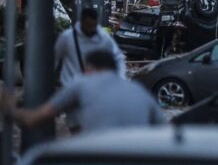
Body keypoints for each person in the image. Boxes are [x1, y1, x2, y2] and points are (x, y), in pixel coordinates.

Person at [3, 50, 166, 134]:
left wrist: (9, 109)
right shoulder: (138, 91)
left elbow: (34, 119)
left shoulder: (81, 83)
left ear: (91, 68)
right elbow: (165, 134)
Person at [55, 7, 126, 131]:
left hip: (94, 90)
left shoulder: (103, 39)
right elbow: (54, 58)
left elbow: (118, 57)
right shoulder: (67, 38)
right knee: (76, 127)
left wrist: (120, 79)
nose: (91, 28)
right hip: (72, 90)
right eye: (88, 25)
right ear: (81, 22)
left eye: (93, 25)